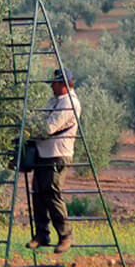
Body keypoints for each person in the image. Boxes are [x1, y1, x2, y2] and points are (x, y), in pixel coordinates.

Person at [26, 67, 81, 253]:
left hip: (58, 155)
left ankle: (66, 236)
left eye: (55, 83)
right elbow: (40, 121)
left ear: (64, 85)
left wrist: (30, 129)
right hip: (44, 154)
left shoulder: (69, 103)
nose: (51, 86)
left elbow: (48, 127)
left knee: (53, 195)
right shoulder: (55, 101)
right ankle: (42, 234)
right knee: (38, 195)